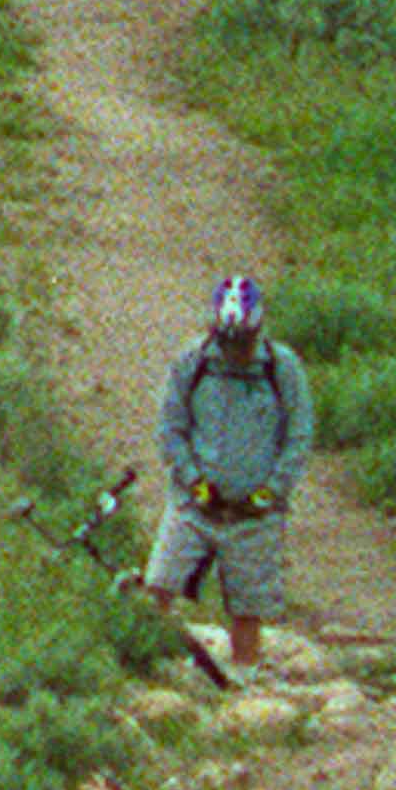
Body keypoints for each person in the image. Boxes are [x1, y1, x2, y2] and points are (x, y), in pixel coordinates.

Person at [143, 275, 313, 688]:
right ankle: (150, 667)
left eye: (244, 342)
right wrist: (194, 480)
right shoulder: (193, 363)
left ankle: (244, 682)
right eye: (228, 341)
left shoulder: (281, 368)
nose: (236, 351)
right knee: (159, 587)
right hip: (194, 505)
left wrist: (272, 491)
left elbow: (299, 435)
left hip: (255, 512)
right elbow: (170, 429)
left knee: (247, 606)